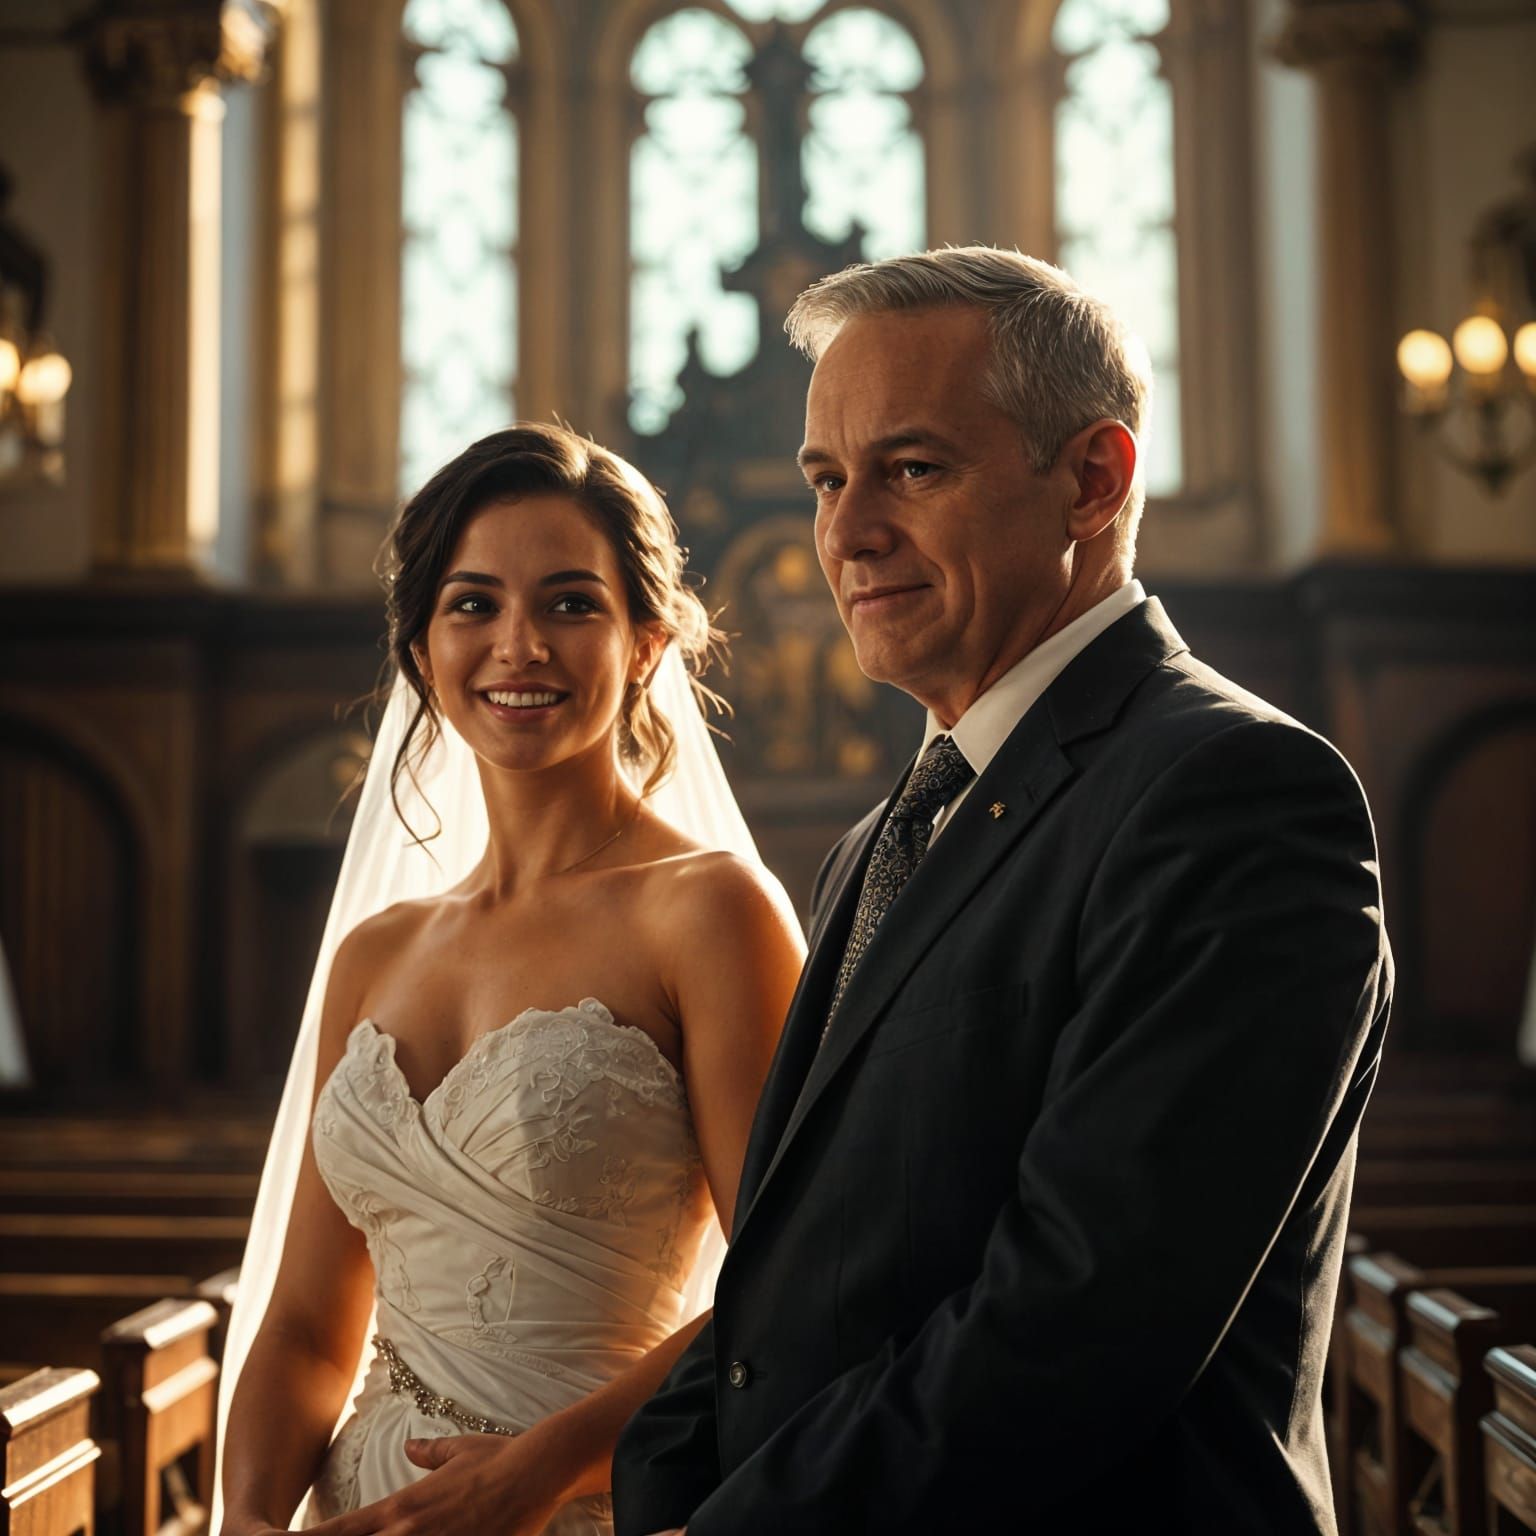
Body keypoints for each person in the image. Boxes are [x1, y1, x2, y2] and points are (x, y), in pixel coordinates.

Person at [611, 247, 1393, 1535]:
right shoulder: (878, 839)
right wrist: (665, 1490)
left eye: (912, 470)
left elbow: (1080, 1319)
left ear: (1093, 478)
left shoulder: (1235, 791)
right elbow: (793, 1274)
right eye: (826, 478)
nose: (845, 532)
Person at [216, 424, 805, 1535]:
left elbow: (786, 1283)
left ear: (645, 641)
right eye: (473, 604)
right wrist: (249, 1521)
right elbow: (303, 1323)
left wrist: (538, 1473)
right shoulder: (374, 952)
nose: (518, 645)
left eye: (572, 603)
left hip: (580, 1502)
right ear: (422, 650)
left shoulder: (709, 910)